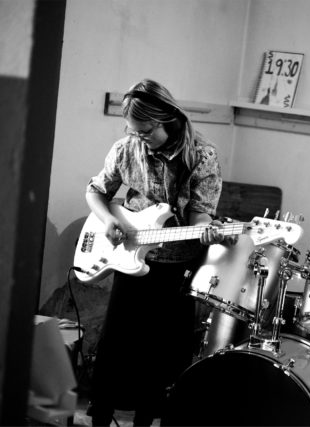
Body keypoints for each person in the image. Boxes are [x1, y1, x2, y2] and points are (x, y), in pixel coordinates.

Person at [85, 79, 229, 426]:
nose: (140, 137)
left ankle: (146, 420)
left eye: (146, 131)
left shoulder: (202, 156)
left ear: (167, 118)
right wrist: (108, 220)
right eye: (133, 131)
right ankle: (100, 417)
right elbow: (95, 191)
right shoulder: (126, 149)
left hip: (177, 265)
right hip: (130, 256)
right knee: (115, 346)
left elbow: (200, 216)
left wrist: (209, 231)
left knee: (164, 353)